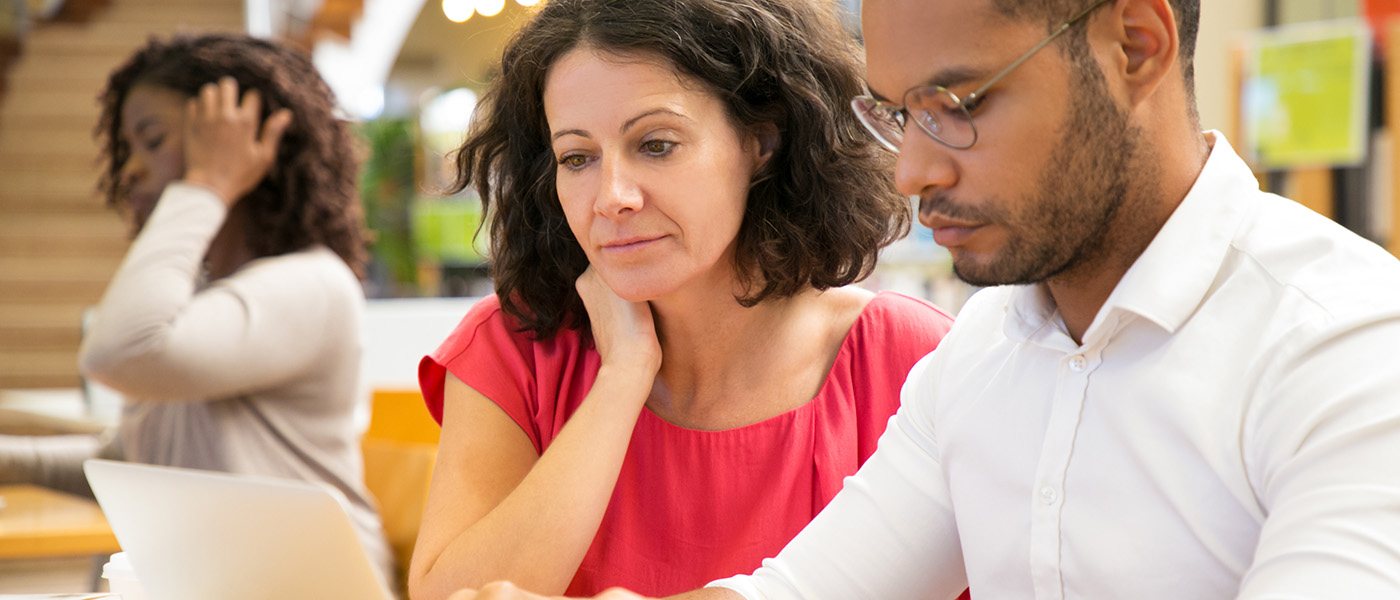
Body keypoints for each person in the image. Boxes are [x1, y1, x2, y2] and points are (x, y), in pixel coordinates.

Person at [440, 0, 1400, 598]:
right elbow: (804, 592)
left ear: (1135, 46)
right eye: (899, 114)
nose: (911, 171)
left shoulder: (1347, 344)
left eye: (960, 104)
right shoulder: (986, 352)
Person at [410, 1, 957, 599]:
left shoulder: (912, 356)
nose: (611, 197)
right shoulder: (514, 344)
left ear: (762, 141)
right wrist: (622, 377)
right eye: (577, 158)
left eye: (656, 145)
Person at [0, 34, 396, 591]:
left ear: (247, 144)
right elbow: (134, 460)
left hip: (309, 586)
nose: (131, 168)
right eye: (127, 147)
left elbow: (121, 351)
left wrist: (207, 183)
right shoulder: (210, 301)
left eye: (152, 140)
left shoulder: (313, 284)